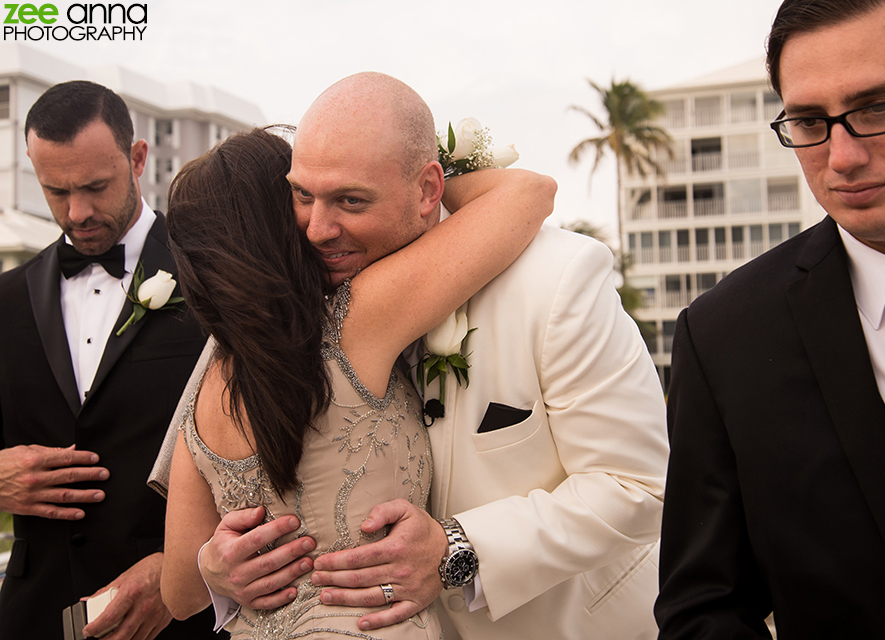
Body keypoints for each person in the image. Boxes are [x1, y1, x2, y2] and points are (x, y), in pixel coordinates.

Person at [152, 72, 669, 640]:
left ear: (427, 191)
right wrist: (214, 568)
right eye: (301, 195)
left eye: (351, 199)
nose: (318, 229)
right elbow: (188, 582)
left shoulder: (554, 279)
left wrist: (458, 549)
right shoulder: (277, 331)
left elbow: (639, 485)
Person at [655, 0, 885, 638]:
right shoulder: (723, 336)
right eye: (809, 121)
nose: (841, 157)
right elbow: (704, 606)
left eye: (878, 108)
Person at [0, 81, 216, 639]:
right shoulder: (5, 300)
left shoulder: (215, 279)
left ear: (138, 158)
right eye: (55, 191)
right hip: (34, 616)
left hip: (179, 618)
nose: (77, 212)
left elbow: (276, 451)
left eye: (96, 187)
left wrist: (183, 569)